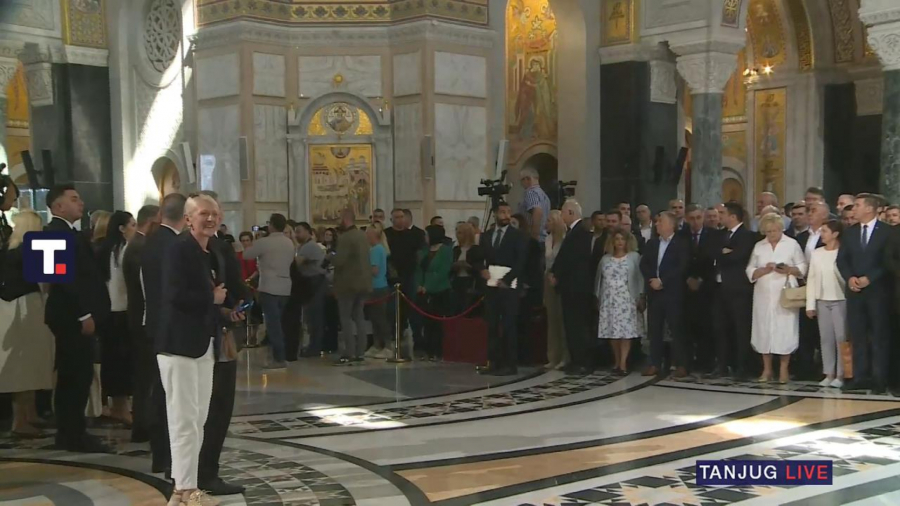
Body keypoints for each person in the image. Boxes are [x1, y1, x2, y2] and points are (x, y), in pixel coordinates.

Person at [156, 194, 227, 506]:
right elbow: (174, 295)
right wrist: (212, 298)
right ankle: (185, 489)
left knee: (197, 419)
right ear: (188, 219)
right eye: (203, 214)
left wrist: (224, 310)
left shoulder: (207, 251)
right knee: (183, 419)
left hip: (202, 343)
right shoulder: (178, 249)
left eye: (214, 214)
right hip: (179, 345)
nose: (210, 219)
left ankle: (185, 489)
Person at [43, 185, 112, 453]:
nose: (80, 203)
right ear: (58, 206)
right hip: (70, 315)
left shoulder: (70, 232)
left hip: (75, 313)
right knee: (75, 375)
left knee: (77, 374)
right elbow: (59, 279)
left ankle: (72, 431)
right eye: (73, 199)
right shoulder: (52, 232)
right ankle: (72, 433)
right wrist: (83, 313)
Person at [0, 210, 55, 437]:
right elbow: (49, 278)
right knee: (27, 363)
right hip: (27, 307)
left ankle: (28, 414)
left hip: (7, 308)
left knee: (21, 363)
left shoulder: (8, 250)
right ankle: (21, 421)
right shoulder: (30, 250)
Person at [838, 193, 892, 393]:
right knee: (857, 335)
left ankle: (879, 378)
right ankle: (859, 377)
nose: (854, 209)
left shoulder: (887, 232)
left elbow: (888, 261)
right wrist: (849, 277)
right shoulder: (850, 232)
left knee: (879, 336)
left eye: (857, 205)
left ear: (869, 208)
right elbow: (842, 259)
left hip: (878, 291)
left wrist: (870, 278)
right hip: (855, 293)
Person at [746, 212, 807, 383]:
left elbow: (802, 266)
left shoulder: (792, 244)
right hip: (763, 293)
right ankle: (767, 369)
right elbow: (750, 269)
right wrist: (763, 270)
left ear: (781, 229)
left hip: (784, 293)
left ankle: (783, 369)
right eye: (768, 231)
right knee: (763, 329)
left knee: (785, 330)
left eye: (774, 231)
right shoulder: (759, 246)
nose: (771, 234)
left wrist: (789, 269)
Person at [96, 210, 137, 425]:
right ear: (122, 228)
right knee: (121, 362)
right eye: (132, 225)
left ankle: (116, 406)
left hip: (107, 312)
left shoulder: (104, 249)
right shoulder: (124, 249)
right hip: (121, 311)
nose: (135, 229)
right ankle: (121, 408)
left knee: (113, 361)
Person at [123, 205, 159, 442]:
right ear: (151, 222)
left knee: (146, 375)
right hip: (142, 318)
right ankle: (143, 425)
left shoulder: (139, 244)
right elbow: (147, 288)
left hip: (140, 316)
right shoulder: (140, 247)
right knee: (146, 376)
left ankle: (145, 422)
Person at [241, 213, 295, 369]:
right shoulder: (289, 242)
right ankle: (280, 355)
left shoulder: (264, 242)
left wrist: (255, 240)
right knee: (279, 323)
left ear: (271, 225)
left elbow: (246, 255)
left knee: (273, 325)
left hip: (269, 287)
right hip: (285, 287)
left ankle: (279, 358)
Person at [640, 212, 690, 377]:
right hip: (655, 293)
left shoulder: (681, 244)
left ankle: (681, 364)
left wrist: (662, 281)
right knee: (654, 329)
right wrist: (652, 279)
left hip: (673, 292)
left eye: (660, 221)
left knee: (677, 329)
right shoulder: (652, 243)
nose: (657, 224)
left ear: (671, 225)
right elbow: (644, 264)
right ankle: (655, 363)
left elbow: (681, 267)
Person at [480, 202, 527, 375]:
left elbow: (520, 261)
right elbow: (480, 257)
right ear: (495, 214)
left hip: (509, 286)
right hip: (491, 285)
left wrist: (507, 279)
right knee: (492, 323)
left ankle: (510, 363)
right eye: (502, 212)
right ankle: (493, 361)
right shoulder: (486, 236)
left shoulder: (518, 236)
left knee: (508, 324)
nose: (506, 215)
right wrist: (481, 270)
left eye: (508, 212)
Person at [713, 202, 758, 379]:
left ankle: (742, 366)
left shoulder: (747, 236)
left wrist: (725, 255)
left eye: (723, 213)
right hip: (719, 288)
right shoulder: (720, 235)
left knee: (741, 329)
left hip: (739, 290)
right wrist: (723, 253)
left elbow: (739, 256)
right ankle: (723, 364)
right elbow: (712, 254)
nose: (720, 216)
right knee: (721, 328)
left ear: (733, 217)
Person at [550, 200, 594, 375]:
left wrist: (557, 274)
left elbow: (572, 259)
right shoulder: (572, 232)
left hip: (577, 287)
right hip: (569, 287)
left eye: (562, 212)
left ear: (571, 213)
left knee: (579, 326)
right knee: (570, 326)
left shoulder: (581, 232)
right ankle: (575, 360)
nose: (561, 215)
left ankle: (583, 362)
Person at [594, 228, 643, 375]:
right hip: (609, 299)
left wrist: (641, 295)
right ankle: (616, 361)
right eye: (617, 239)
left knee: (625, 332)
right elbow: (599, 279)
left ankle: (623, 363)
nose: (620, 242)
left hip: (627, 298)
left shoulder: (634, 257)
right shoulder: (605, 259)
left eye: (623, 239)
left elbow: (640, 278)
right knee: (612, 331)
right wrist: (597, 297)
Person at [806, 220, 846, 388]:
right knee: (826, 338)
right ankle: (829, 373)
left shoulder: (843, 252)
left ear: (835, 234)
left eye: (825, 231)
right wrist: (810, 305)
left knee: (841, 338)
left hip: (841, 299)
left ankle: (841, 375)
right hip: (822, 300)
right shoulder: (817, 253)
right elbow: (812, 279)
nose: (821, 234)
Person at [332, 208, 372, 365]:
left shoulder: (345, 237)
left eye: (339, 218)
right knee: (359, 317)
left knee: (346, 318)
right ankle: (360, 352)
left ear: (345, 219)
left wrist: (330, 257)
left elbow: (340, 261)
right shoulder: (362, 235)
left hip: (348, 283)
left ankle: (349, 352)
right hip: (363, 282)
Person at [385, 208, 426, 351]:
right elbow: (386, 256)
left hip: (410, 275)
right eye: (397, 217)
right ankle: (395, 337)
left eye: (402, 216)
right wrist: (392, 272)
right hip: (393, 277)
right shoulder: (387, 234)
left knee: (413, 308)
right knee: (393, 310)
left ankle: (418, 340)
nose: (400, 219)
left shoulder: (414, 234)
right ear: (392, 219)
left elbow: (420, 254)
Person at [684, 204, 718, 372]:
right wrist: (688, 278)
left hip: (707, 288)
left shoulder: (713, 235)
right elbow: (679, 260)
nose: (695, 222)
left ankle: (706, 361)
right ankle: (688, 361)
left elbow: (714, 261)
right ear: (686, 219)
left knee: (706, 326)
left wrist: (700, 279)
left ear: (703, 217)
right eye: (692, 218)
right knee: (688, 326)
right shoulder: (681, 236)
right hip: (686, 288)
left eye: (698, 218)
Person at [416, 225, 453, 361]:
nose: (425, 237)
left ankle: (438, 351)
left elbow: (443, 271)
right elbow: (420, 269)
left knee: (438, 323)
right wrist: (420, 284)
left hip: (440, 290)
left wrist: (428, 286)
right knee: (426, 322)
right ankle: (428, 350)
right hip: (424, 290)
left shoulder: (446, 251)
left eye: (427, 234)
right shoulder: (425, 250)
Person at [294, 222, 327, 358]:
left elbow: (297, 263)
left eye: (299, 231)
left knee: (315, 315)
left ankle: (315, 347)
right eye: (295, 232)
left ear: (308, 232)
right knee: (311, 315)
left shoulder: (309, 247)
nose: (296, 235)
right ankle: (313, 345)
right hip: (309, 282)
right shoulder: (302, 246)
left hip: (315, 282)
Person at [543, 210, 569, 370]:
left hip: (561, 280)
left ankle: (565, 356)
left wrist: (557, 275)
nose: (546, 223)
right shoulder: (547, 239)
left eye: (549, 220)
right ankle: (553, 356)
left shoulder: (565, 239)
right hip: (547, 279)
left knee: (562, 319)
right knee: (551, 319)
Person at [364, 225, 393, 359]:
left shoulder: (376, 250)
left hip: (378, 287)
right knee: (374, 318)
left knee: (380, 318)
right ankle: (377, 344)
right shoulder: (378, 249)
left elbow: (374, 271)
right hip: (374, 287)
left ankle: (388, 346)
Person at [451, 221, 484, 314]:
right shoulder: (456, 249)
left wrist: (468, 266)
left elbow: (479, 267)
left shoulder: (476, 249)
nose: (457, 235)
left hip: (470, 281)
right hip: (457, 281)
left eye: (460, 232)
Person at [518, 166, 551, 244]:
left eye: (521, 180)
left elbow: (537, 211)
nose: (521, 184)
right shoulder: (544, 195)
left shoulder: (530, 193)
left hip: (534, 239)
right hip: (544, 239)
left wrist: (533, 238)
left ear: (527, 179)